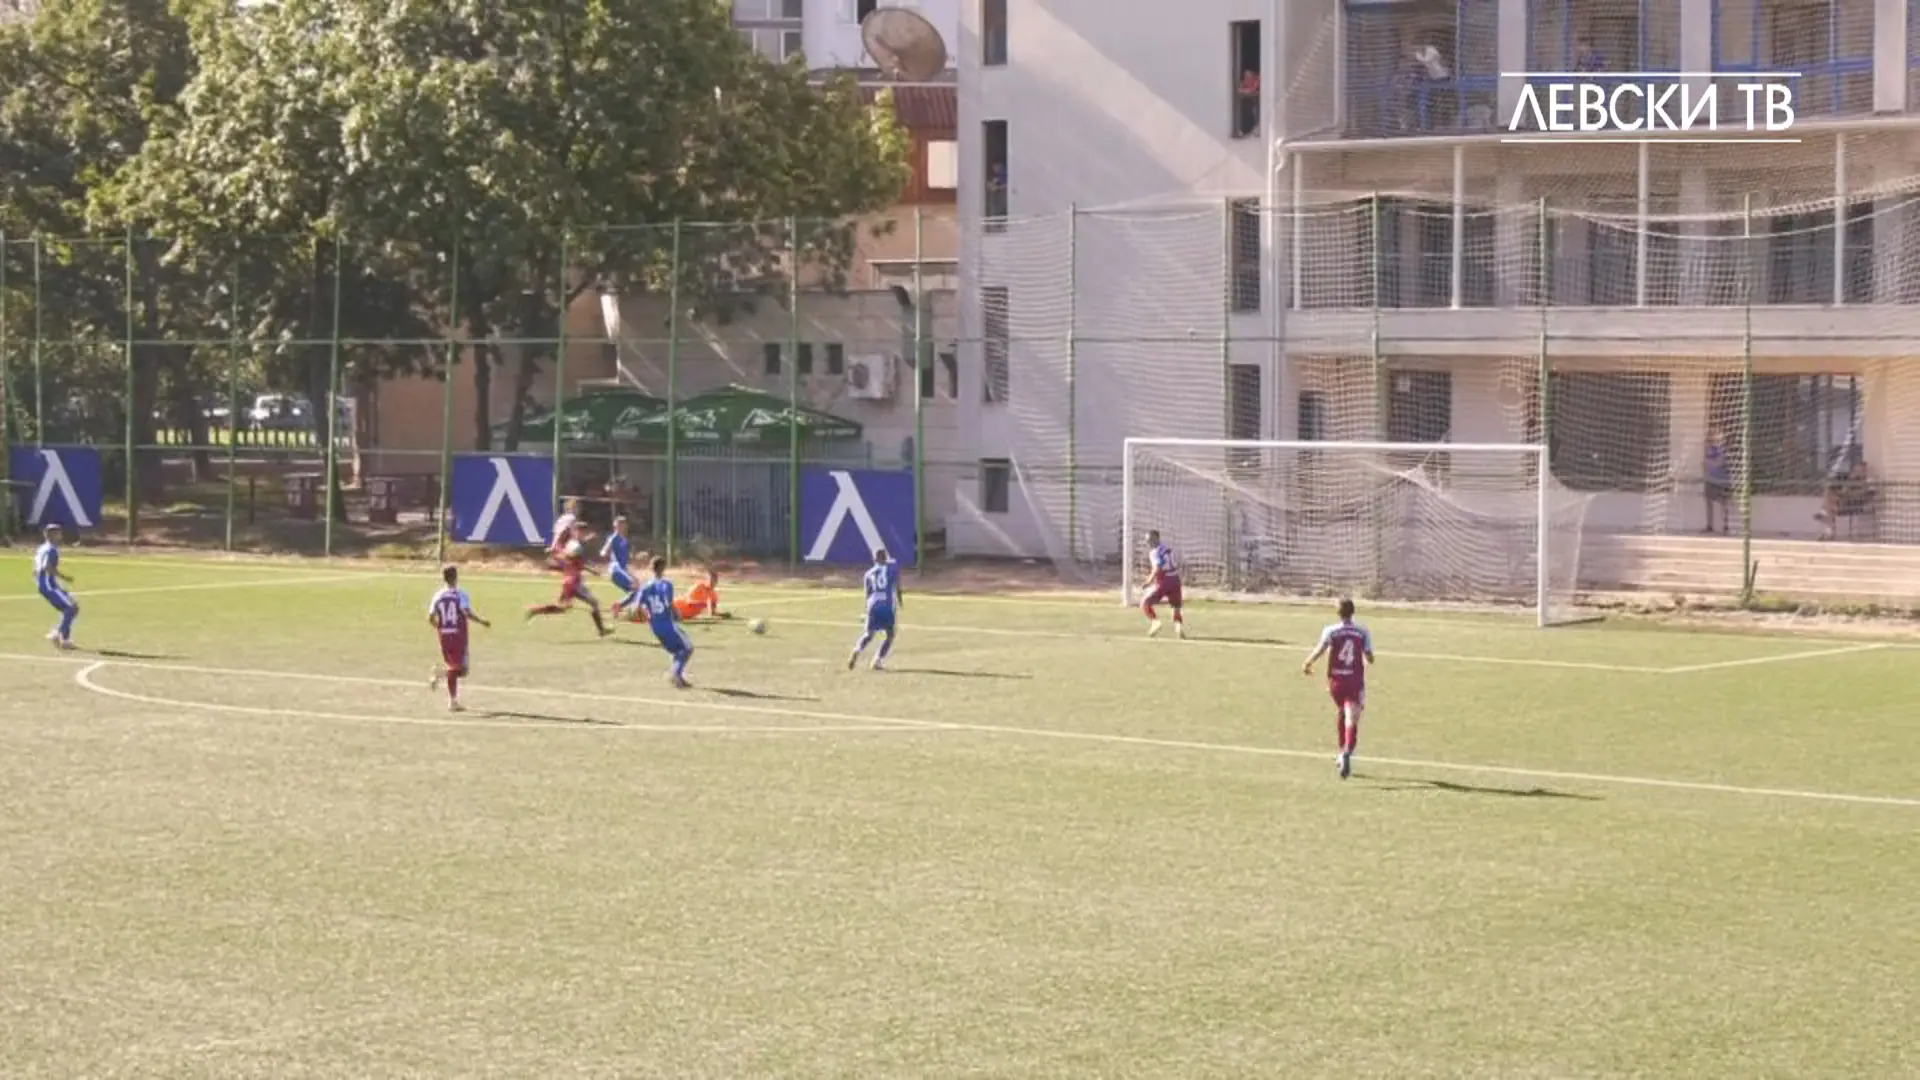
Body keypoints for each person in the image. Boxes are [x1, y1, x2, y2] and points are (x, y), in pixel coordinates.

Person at [1301, 598, 1374, 780]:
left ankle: (1342, 751)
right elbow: (1370, 656)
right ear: (1353, 612)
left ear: (1338, 613)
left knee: (1343, 710)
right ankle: (1347, 751)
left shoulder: (1331, 630)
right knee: (1352, 717)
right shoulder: (1362, 631)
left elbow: (1320, 649)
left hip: (1336, 681)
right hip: (1354, 680)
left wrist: (1308, 662)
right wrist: (1367, 657)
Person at [427, 565, 490, 712]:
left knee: (460, 670)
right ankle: (452, 701)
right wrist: (481, 621)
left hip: (444, 635)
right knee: (458, 668)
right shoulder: (461, 594)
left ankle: (440, 674)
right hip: (458, 636)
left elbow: (430, 617)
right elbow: (466, 612)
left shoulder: (438, 595)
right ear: (455, 577)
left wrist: (439, 628)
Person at [525, 538, 611, 636]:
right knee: (594, 603)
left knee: (562, 608)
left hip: (568, 585)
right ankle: (601, 630)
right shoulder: (576, 559)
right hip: (575, 585)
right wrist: (594, 572)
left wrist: (550, 558)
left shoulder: (565, 558)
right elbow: (580, 566)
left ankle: (536, 610)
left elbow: (558, 564)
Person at [634, 556, 693, 688]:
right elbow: (668, 603)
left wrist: (647, 616)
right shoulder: (666, 584)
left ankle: (678, 677)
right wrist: (677, 612)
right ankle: (675, 674)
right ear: (663, 568)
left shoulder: (645, 586)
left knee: (677, 651)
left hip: (655, 626)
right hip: (668, 624)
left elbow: (637, 607)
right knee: (687, 648)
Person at [847, 548, 900, 671]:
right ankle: (877, 660)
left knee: (869, 634)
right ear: (885, 558)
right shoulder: (891, 569)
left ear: (874, 559)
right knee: (890, 635)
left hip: (873, 605)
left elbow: (867, 594)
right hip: (886, 605)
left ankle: (857, 650)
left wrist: (867, 610)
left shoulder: (868, 573)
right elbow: (896, 569)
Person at [34, 523, 79, 650]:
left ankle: (64, 639)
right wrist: (64, 577)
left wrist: (39, 581)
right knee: (71, 609)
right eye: (59, 533)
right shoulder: (51, 550)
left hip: (47, 585)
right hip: (50, 586)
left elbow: (36, 569)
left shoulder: (41, 548)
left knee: (72, 608)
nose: (61, 536)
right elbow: (48, 567)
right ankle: (58, 635)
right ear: (53, 535)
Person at [1815, 450, 1872, 541]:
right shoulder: (1850, 479)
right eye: (1856, 469)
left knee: (1829, 508)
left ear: (1864, 471)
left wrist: (1845, 493)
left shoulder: (1865, 482)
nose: (1857, 472)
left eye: (1860, 470)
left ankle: (1828, 528)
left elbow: (1858, 494)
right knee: (1829, 495)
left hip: (1852, 504)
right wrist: (1849, 483)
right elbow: (1843, 490)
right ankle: (1829, 531)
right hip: (1841, 502)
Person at [1139, 529, 1186, 639]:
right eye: (1147, 540)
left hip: (1164, 580)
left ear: (1156, 538)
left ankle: (1155, 622)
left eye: (1150, 540)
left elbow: (1157, 568)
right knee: (1176, 606)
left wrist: (1148, 581)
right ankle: (1178, 626)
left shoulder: (1154, 552)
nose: (1148, 542)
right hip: (1175, 579)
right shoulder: (1168, 549)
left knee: (1145, 603)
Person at [602, 517, 638, 618]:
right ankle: (620, 606)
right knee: (637, 590)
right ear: (615, 525)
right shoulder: (613, 538)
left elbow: (625, 558)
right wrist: (606, 553)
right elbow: (604, 551)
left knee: (637, 591)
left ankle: (619, 606)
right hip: (616, 570)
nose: (621, 526)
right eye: (619, 524)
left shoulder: (624, 539)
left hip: (622, 570)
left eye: (623, 524)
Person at [1703, 429, 1731, 534]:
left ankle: (1725, 525)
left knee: (1723, 503)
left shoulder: (1724, 450)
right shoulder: (1710, 449)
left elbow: (1720, 462)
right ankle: (1709, 525)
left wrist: (1711, 463)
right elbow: (1705, 462)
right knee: (1709, 502)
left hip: (1722, 480)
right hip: (1710, 479)